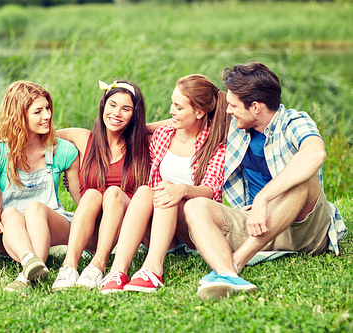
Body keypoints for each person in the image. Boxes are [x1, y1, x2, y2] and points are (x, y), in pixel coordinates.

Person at [182, 62, 347, 301]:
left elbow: (315, 154)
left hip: (306, 228)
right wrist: (136, 128)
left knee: (303, 177)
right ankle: (228, 275)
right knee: (195, 205)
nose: (228, 111)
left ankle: (237, 262)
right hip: (259, 226)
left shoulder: (294, 122)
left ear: (256, 107)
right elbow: (185, 122)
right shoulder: (237, 126)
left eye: (234, 106)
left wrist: (264, 197)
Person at [99, 74, 231, 293]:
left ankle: (153, 269)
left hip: (190, 227)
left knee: (167, 189)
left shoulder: (216, 143)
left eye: (178, 107)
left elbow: (210, 190)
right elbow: (139, 131)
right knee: (144, 191)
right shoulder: (163, 135)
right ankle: (117, 271)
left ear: (199, 112)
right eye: (172, 103)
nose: (171, 111)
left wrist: (182, 190)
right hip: (158, 228)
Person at [0, 81, 81, 291]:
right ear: (19, 116)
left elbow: (82, 203)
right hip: (14, 234)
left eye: (47, 108)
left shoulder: (64, 151)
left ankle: (25, 278)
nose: (47, 116)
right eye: (38, 111)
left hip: (53, 223)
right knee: (9, 213)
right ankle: (30, 262)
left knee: (34, 208)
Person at [51, 80, 151, 290]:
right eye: (112, 105)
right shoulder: (84, 138)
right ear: (103, 105)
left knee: (114, 192)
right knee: (91, 195)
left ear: (135, 114)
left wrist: (144, 127)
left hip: (126, 231)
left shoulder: (145, 142)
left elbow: (178, 122)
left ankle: (98, 265)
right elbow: (36, 133)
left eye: (126, 109)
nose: (116, 113)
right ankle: (69, 266)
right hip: (91, 230)